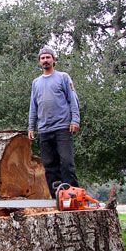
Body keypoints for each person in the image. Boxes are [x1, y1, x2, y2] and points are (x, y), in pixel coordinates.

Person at [28, 46, 80, 197]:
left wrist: (75, 120)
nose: (45, 60)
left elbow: (73, 100)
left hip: (63, 127)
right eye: (42, 58)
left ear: (54, 60)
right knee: (50, 166)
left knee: (67, 163)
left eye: (48, 57)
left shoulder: (63, 77)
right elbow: (33, 106)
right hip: (44, 129)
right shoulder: (36, 83)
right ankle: (57, 197)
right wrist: (31, 127)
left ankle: (73, 196)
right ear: (39, 62)